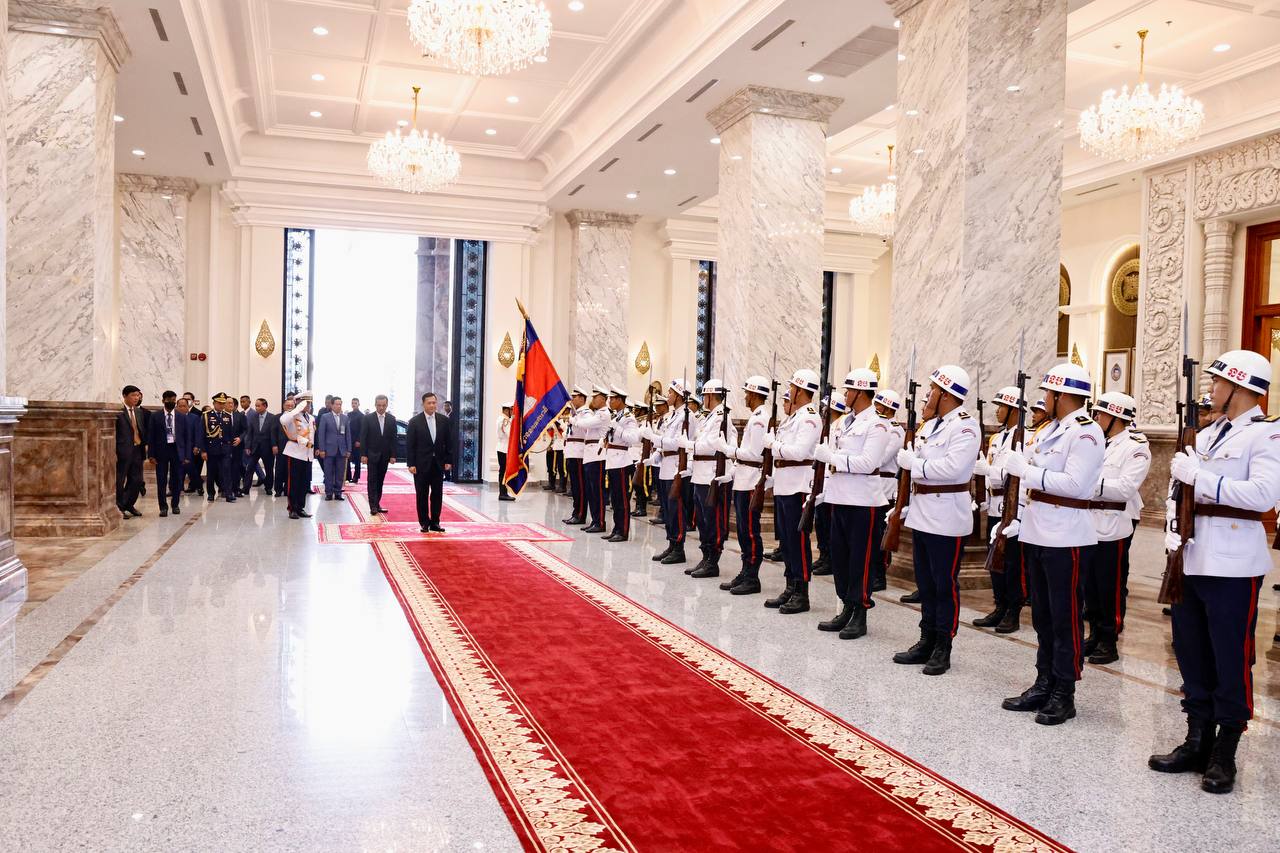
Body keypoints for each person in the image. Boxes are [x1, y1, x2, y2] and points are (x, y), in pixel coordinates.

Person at [1149, 350, 1280, 794]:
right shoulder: (1209, 433)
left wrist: (1199, 478)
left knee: (1230, 657)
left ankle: (1226, 751)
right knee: (1191, 652)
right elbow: (1180, 491)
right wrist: (1173, 530)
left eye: (1218, 382)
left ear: (1240, 387)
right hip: (1192, 557)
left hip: (1233, 564)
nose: (1211, 389)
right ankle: (1196, 739)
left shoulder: (1267, 434)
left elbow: (1262, 495)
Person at [999, 363, 1104, 726]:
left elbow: (1075, 484)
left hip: (1067, 535)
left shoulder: (1086, 433)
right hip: (1038, 530)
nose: (1043, 398)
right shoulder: (1051, 430)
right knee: (1042, 616)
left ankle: (1064, 691)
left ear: (1061, 395)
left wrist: (1026, 471)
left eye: (1048, 392)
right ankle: (1044, 681)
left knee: (1065, 617)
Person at [892, 365, 980, 676]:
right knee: (926, 583)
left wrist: (915, 464)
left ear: (945, 394)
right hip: (922, 512)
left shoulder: (966, 427)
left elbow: (953, 469)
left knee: (944, 584)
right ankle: (926, 638)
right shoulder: (930, 426)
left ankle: (944, 644)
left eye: (932, 390)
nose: (928, 395)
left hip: (947, 516)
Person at [813, 368, 893, 639]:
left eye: (848, 390)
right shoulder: (845, 422)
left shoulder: (877, 424)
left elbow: (869, 463)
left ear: (860, 392)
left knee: (861, 559)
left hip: (863, 501)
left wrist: (832, 458)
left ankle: (860, 612)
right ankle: (846, 607)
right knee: (841, 558)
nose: (845, 394)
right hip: (839, 497)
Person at [1084, 391, 1151, 665]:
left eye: (1100, 414)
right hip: (1089, 523)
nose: (1096, 418)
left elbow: (1125, 488)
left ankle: (1108, 640)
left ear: (1115, 416)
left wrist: (1086, 483)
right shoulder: (1098, 443)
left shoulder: (1135, 447)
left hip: (1114, 524)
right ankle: (1094, 634)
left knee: (1109, 585)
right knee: (1090, 585)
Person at [766, 369, 822, 614]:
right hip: (784, 482)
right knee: (787, 540)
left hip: (798, 484)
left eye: (792, 387)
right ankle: (790, 586)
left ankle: (802, 592)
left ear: (800, 390)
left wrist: (774, 445)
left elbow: (799, 452)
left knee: (798, 541)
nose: (789, 391)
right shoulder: (793, 417)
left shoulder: (809, 418)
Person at [973, 387, 1028, 633]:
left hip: (1012, 507)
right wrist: (984, 497)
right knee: (995, 559)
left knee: (1012, 563)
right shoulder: (996, 438)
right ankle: (999, 605)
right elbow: (990, 473)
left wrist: (989, 471)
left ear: (1014, 410)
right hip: (996, 506)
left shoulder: (1026, 438)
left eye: (1002, 406)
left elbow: (1015, 475)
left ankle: (1013, 610)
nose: (997, 411)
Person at [717, 376, 771, 595]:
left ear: (756, 394)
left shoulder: (760, 419)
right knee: (742, 530)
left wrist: (729, 450)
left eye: (748, 393)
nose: (746, 397)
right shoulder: (755, 417)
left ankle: (752, 576)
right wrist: (731, 472)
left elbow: (755, 454)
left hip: (750, 482)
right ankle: (745, 570)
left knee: (749, 531)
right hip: (742, 478)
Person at [648, 379, 693, 564]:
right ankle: (672, 543)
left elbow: (678, 443)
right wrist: (657, 455)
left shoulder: (687, 416)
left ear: (680, 395)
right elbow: (667, 440)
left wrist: (654, 439)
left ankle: (679, 548)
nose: (668, 395)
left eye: (671, 392)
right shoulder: (674, 415)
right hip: (666, 465)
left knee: (677, 510)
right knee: (668, 510)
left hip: (676, 466)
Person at [811, 395, 849, 578]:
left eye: (826, 408)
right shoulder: (831, 426)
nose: (823, 411)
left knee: (828, 522)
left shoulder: (840, 425)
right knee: (821, 521)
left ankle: (830, 559)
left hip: (832, 479)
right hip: (824, 478)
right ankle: (824, 555)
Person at [870, 389, 904, 593]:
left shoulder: (895, 431)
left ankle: (880, 574)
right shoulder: (878, 426)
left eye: (878, 405)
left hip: (886, 486)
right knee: (873, 533)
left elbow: (880, 458)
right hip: (874, 485)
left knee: (882, 534)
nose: (875, 408)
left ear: (887, 408)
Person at [406, 392, 454, 533]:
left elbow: (449, 442)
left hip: (438, 464)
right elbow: (410, 445)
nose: (432, 405)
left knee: (437, 494)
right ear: (423, 404)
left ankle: (435, 522)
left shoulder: (443, 420)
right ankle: (424, 523)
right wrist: (411, 464)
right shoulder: (414, 422)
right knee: (422, 494)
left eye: (434, 402)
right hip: (421, 464)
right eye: (429, 403)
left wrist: (448, 460)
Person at [602, 387, 640, 541]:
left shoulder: (628, 418)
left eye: (612, 399)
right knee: (615, 499)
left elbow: (633, 439)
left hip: (622, 461)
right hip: (612, 460)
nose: (609, 401)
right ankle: (616, 528)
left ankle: (623, 531)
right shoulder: (616, 417)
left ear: (619, 400)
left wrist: (617, 428)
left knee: (622, 499)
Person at [146, 390, 191, 517]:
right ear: (163, 401)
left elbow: (187, 437)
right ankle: (163, 507)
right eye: (169, 400)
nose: (171, 402)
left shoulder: (182, 416)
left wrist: (187, 455)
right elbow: (151, 436)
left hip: (177, 450)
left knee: (177, 479)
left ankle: (175, 504)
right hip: (161, 451)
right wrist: (151, 454)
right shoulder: (155, 416)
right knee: (161, 480)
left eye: (173, 400)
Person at [578, 386, 611, 533]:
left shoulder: (603, 414)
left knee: (597, 491)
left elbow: (585, 424)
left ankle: (600, 522)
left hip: (598, 456)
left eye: (595, 397)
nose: (593, 400)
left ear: (603, 398)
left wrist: (574, 418)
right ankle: (595, 520)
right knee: (591, 491)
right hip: (590, 455)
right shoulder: (597, 413)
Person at [279, 392, 316, 519]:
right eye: (306, 403)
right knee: (293, 482)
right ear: (299, 403)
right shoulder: (292, 415)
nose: (309, 406)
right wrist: (297, 409)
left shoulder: (311, 418)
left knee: (304, 483)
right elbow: (283, 420)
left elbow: (311, 435)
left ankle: (300, 507)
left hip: (307, 454)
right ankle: (292, 508)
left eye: (310, 403)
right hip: (295, 452)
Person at [361, 395, 397, 515]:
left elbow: (393, 439)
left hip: (385, 456)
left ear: (387, 405)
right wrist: (363, 454)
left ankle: (377, 503)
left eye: (383, 405)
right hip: (371, 454)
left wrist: (393, 455)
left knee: (380, 481)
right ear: (375, 405)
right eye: (379, 405)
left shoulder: (391, 419)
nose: (381, 407)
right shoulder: (368, 418)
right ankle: (373, 506)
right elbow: (363, 437)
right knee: (372, 480)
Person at [200, 393, 240, 503]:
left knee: (227, 472)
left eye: (223, 403)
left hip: (225, 449)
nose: (221, 405)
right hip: (211, 449)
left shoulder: (227, 415)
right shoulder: (206, 415)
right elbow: (201, 434)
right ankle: (211, 493)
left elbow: (230, 434)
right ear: (214, 403)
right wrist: (203, 450)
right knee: (211, 472)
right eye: (219, 403)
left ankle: (228, 493)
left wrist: (230, 448)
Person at [115, 385, 148, 518]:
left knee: (137, 480)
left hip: (137, 449)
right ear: (125, 396)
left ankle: (129, 504)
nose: (136, 398)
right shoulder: (118, 411)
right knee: (120, 480)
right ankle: (119, 506)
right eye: (133, 395)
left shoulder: (139, 412)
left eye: (138, 395)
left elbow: (141, 430)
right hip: (122, 451)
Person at [316, 396, 352, 501]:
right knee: (328, 472)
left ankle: (338, 493)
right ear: (332, 405)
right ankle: (328, 492)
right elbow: (321, 434)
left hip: (342, 450)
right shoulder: (325, 417)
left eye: (340, 404)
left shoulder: (345, 418)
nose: (338, 406)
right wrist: (322, 449)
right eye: (336, 404)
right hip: (328, 450)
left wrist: (349, 449)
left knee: (340, 473)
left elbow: (348, 435)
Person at [562, 387, 589, 524]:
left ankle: (580, 514)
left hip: (579, 452)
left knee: (580, 486)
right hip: (571, 452)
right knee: (574, 485)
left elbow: (585, 428)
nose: (572, 399)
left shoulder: (586, 413)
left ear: (582, 398)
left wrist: (572, 419)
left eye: (574, 397)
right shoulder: (575, 413)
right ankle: (575, 512)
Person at [244, 398, 278, 496]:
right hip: (255, 448)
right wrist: (247, 446)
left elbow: (273, 434)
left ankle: (268, 488)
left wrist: (274, 445)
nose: (256, 408)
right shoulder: (253, 417)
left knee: (269, 469)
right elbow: (249, 433)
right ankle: (246, 488)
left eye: (258, 406)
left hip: (268, 448)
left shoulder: (272, 417)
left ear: (265, 406)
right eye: (256, 406)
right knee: (250, 468)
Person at [225, 397, 249, 495]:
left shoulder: (240, 416)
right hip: (225, 447)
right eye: (228, 403)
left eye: (232, 403)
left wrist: (240, 438)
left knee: (236, 468)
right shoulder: (221, 416)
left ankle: (236, 489)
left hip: (237, 446)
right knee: (225, 468)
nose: (231, 405)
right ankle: (225, 489)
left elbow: (246, 430)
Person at [273, 394, 295, 498]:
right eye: (287, 405)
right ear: (283, 406)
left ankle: (287, 489)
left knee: (290, 469)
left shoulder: (296, 417)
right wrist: (274, 445)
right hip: (280, 447)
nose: (289, 407)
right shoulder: (277, 417)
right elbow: (273, 432)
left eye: (292, 405)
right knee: (279, 468)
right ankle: (278, 489)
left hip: (293, 448)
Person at [497, 404, 514, 501]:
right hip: (505, 449)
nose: (512, 412)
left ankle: (503, 492)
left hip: (501, 448)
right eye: (511, 410)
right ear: (507, 410)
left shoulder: (500, 418)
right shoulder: (505, 420)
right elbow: (510, 434)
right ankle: (503, 493)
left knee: (502, 471)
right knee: (504, 472)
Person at [347, 398, 364, 484]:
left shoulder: (361, 415)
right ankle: (348, 476)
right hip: (349, 439)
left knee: (357, 460)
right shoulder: (349, 414)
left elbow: (362, 429)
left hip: (357, 440)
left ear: (358, 404)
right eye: (352, 403)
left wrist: (359, 440)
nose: (354, 405)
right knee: (347, 458)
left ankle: (356, 477)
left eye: (355, 403)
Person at [545, 416, 565, 492]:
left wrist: (555, 426)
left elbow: (561, 435)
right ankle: (551, 484)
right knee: (551, 467)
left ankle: (562, 486)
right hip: (554, 447)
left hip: (561, 448)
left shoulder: (561, 422)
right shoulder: (552, 422)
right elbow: (551, 435)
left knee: (561, 468)